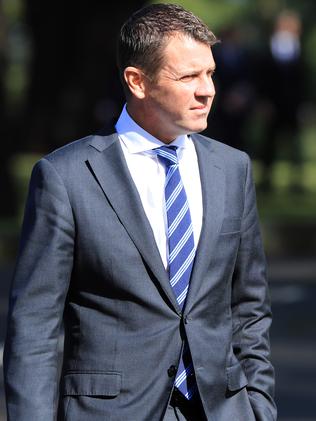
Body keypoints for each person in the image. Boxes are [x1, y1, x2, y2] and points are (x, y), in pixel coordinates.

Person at [4, 4, 277, 420]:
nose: (208, 90)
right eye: (189, 76)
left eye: (210, 73)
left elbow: (248, 307)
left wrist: (259, 406)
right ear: (137, 81)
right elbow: (34, 328)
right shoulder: (67, 177)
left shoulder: (232, 168)